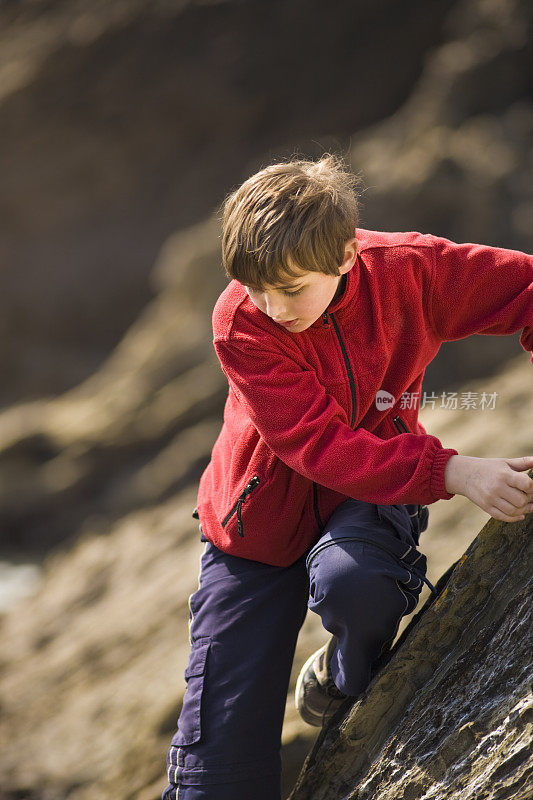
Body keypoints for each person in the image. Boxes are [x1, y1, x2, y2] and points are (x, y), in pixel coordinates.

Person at [162, 154, 533, 800]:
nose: (272, 309)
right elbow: (320, 445)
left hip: (371, 492)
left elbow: (523, 289)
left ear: (344, 257)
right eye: (256, 289)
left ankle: (338, 682)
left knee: (354, 585)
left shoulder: (409, 271)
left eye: (290, 289)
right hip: (255, 527)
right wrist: (451, 470)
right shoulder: (240, 324)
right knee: (216, 779)